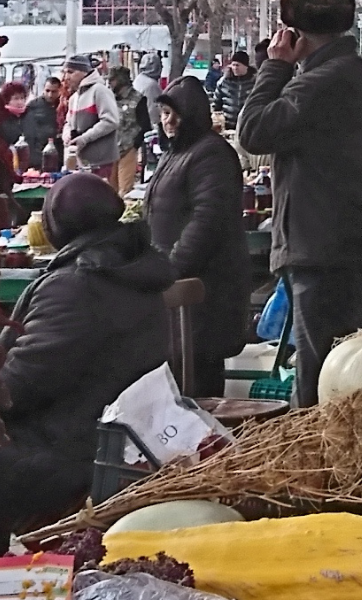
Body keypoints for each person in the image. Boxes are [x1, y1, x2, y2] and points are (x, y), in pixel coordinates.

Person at [0, 173, 173, 557]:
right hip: (104, 443)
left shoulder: (77, 284)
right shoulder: (131, 269)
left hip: (67, 454)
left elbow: (25, 380)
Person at [237, 0, 362, 408]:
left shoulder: (318, 85)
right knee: (337, 371)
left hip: (323, 248)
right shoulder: (359, 79)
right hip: (350, 240)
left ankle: (317, 466)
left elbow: (252, 132)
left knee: (319, 379)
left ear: (295, 35)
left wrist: (275, 66)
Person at [146, 78, 251, 398]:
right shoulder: (176, 154)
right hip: (179, 294)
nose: (169, 121)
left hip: (205, 293)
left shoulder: (210, 155)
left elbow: (207, 221)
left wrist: (171, 269)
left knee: (198, 382)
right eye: (164, 113)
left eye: (176, 113)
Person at [61, 55, 122, 179]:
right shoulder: (74, 97)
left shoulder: (99, 91)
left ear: (84, 72)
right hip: (79, 161)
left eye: (71, 72)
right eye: (65, 72)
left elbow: (111, 120)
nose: (66, 77)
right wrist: (66, 133)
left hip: (99, 161)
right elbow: (68, 122)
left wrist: (85, 138)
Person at [106, 66, 150, 195]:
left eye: (112, 80)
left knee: (124, 191)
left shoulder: (138, 99)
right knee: (108, 190)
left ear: (120, 80)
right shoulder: (108, 97)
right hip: (109, 148)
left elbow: (145, 125)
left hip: (128, 148)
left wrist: (135, 145)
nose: (110, 83)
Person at [25, 76, 62, 172]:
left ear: (60, 91)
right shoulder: (33, 106)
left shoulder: (64, 104)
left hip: (59, 152)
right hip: (38, 153)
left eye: (54, 92)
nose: (50, 95)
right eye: (47, 91)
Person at [211, 51, 255, 131]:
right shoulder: (224, 82)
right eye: (233, 65)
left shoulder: (254, 82)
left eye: (237, 65)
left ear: (246, 66)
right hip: (228, 126)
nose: (235, 68)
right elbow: (216, 104)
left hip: (248, 126)